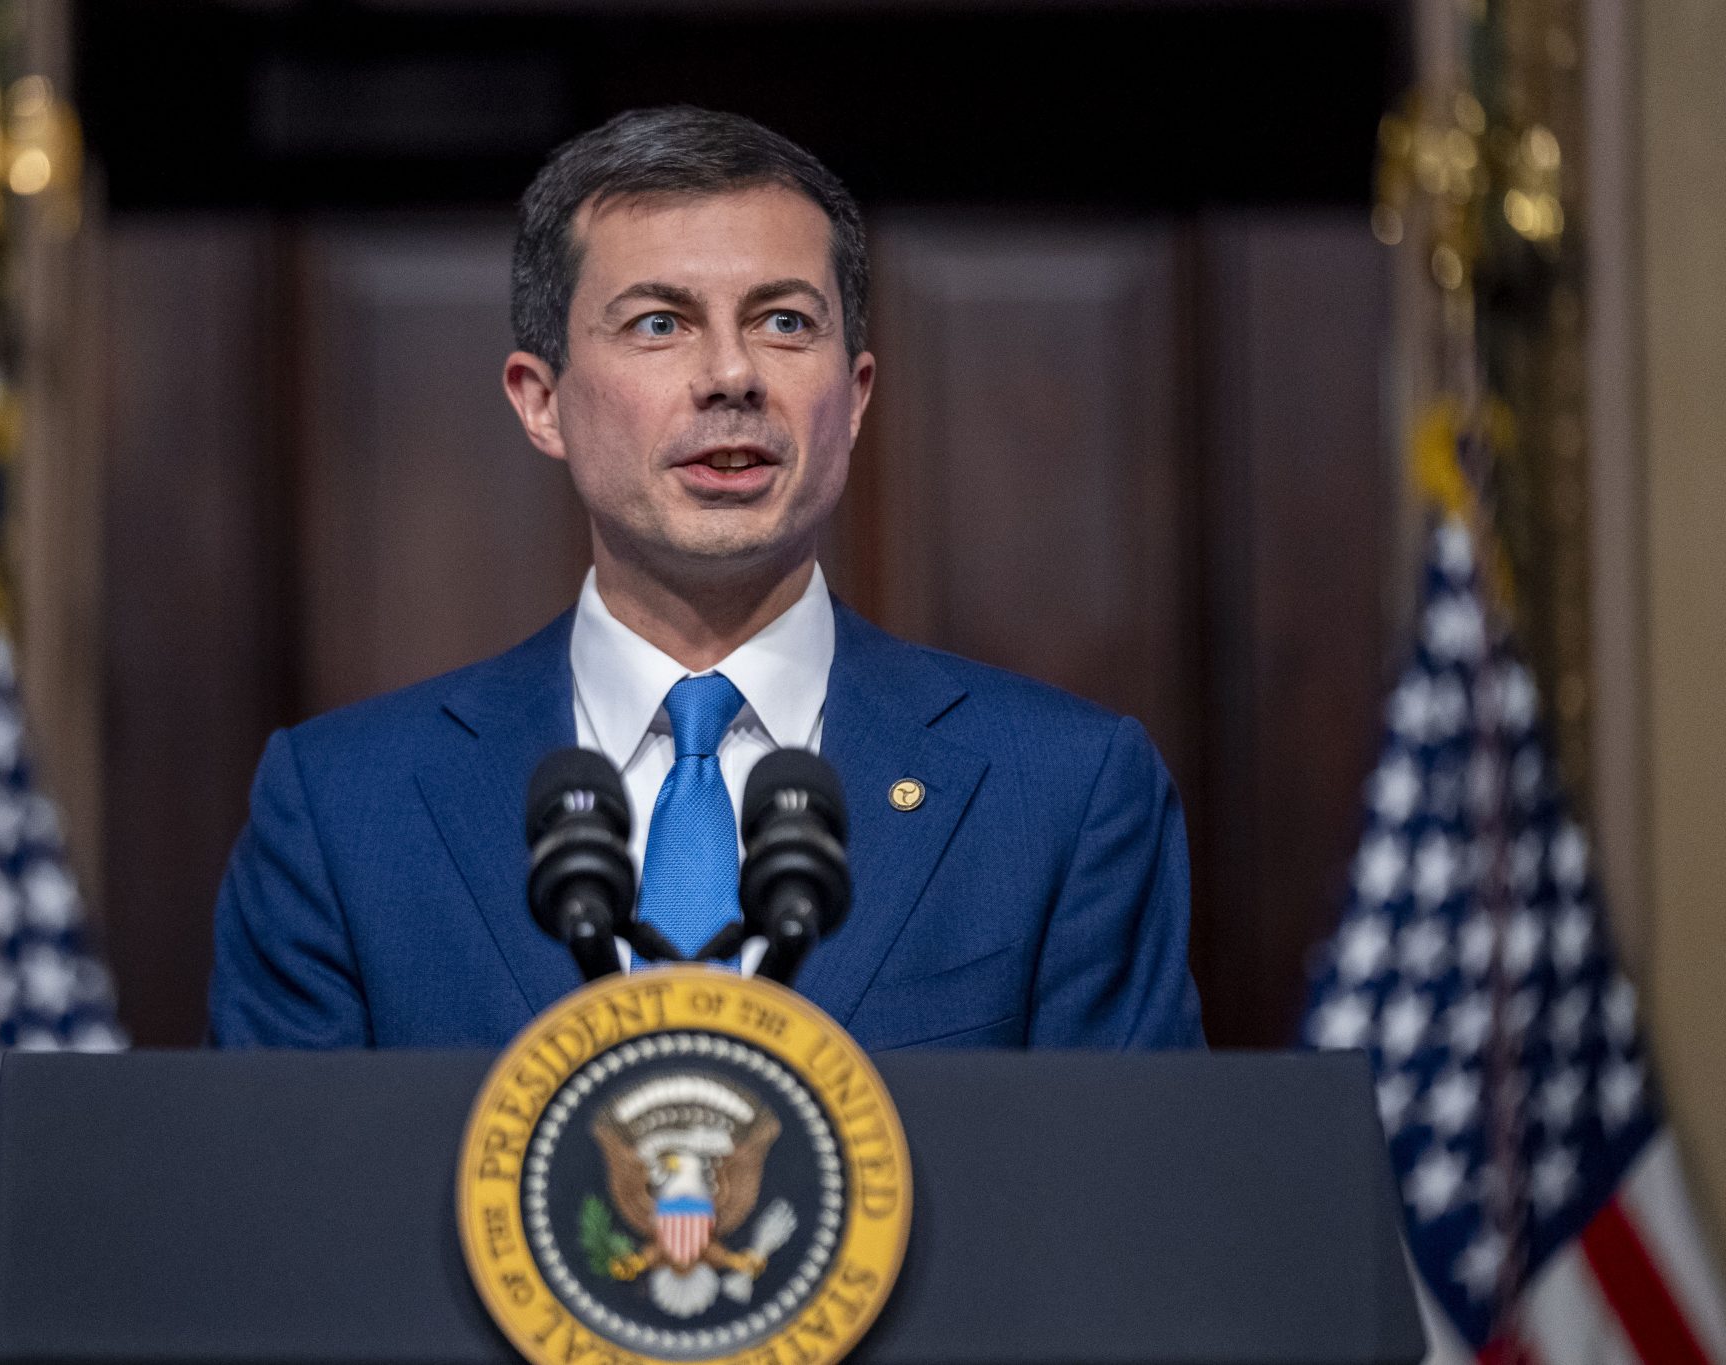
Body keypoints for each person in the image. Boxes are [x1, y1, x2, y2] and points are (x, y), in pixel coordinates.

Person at [208, 106, 1203, 1051]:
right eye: (657, 324)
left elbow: (1123, 1203)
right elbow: (288, 1208)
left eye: (782, 323)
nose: (732, 374)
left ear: (853, 398)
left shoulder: (1065, 795)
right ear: (540, 401)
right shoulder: (342, 812)